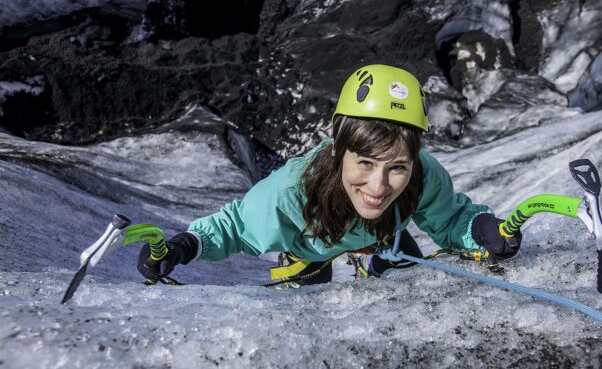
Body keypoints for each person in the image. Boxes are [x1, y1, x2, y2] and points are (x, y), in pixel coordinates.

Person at [137, 64, 522, 286]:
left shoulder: (423, 174)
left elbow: (450, 218)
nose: (378, 186)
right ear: (338, 149)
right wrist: (186, 244)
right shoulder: (291, 191)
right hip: (310, 250)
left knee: (406, 286)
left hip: (381, 238)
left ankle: (368, 258)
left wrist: (481, 228)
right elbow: (237, 227)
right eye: (366, 163)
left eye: (397, 167)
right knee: (307, 315)